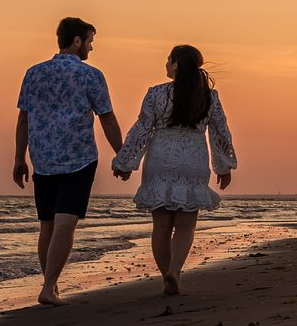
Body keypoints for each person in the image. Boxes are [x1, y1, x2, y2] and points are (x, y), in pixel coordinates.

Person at [111, 45, 237, 296]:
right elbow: (219, 132)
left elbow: (142, 129)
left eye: (168, 60)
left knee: (161, 225)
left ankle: (165, 272)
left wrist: (124, 162)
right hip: (193, 158)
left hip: (161, 156)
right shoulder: (209, 97)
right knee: (186, 224)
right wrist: (223, 166)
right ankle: (175, 271)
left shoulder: (156, 93)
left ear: (177, 64)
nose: (166, 64)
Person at [14, 17, 123, 306]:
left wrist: (19, 158)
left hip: (43, 159)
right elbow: (107, 119)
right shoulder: (91, 75)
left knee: (47, 225)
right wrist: (122, 154)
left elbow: (23, 118)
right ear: (77, 41)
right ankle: (49, 287)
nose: (91, 48)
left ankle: (50, 284)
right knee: (65, 224)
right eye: (89, 41)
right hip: (79, 159)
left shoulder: (33, 73)